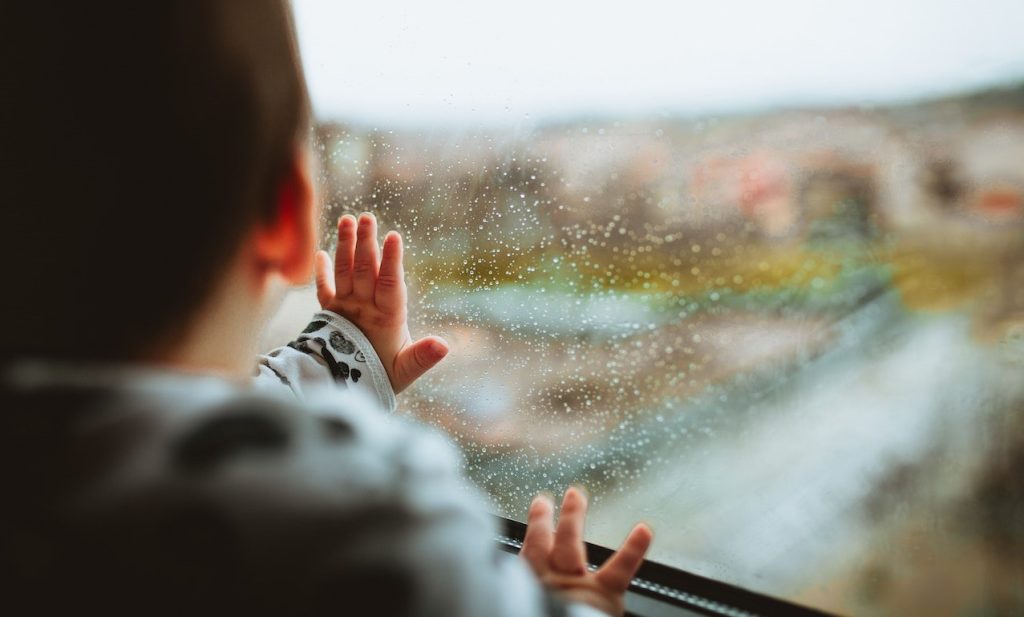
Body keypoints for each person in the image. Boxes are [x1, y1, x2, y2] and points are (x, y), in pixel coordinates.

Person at [0, 2, 652, 616]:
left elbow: (240, 411)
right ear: (286, 220)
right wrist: (573, 600)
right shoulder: (356, 512)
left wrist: (348, 345)